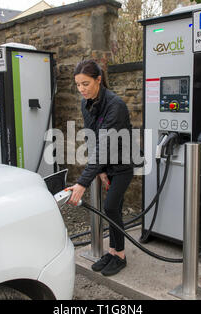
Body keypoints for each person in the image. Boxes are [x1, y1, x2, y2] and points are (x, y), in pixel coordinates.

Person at [66, 59, 134, 276]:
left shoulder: (115, 105)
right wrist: (101, 171)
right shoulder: (86, 103)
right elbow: (92, 138)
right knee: (112, 208)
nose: (81, 89)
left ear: (98, 80)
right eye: (78, 85)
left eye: (85, 84)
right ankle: (113, 251)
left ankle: (120, 255)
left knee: (112, 206)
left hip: (123, 164)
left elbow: (105, 144)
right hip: (107, 165)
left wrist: (82, 183)